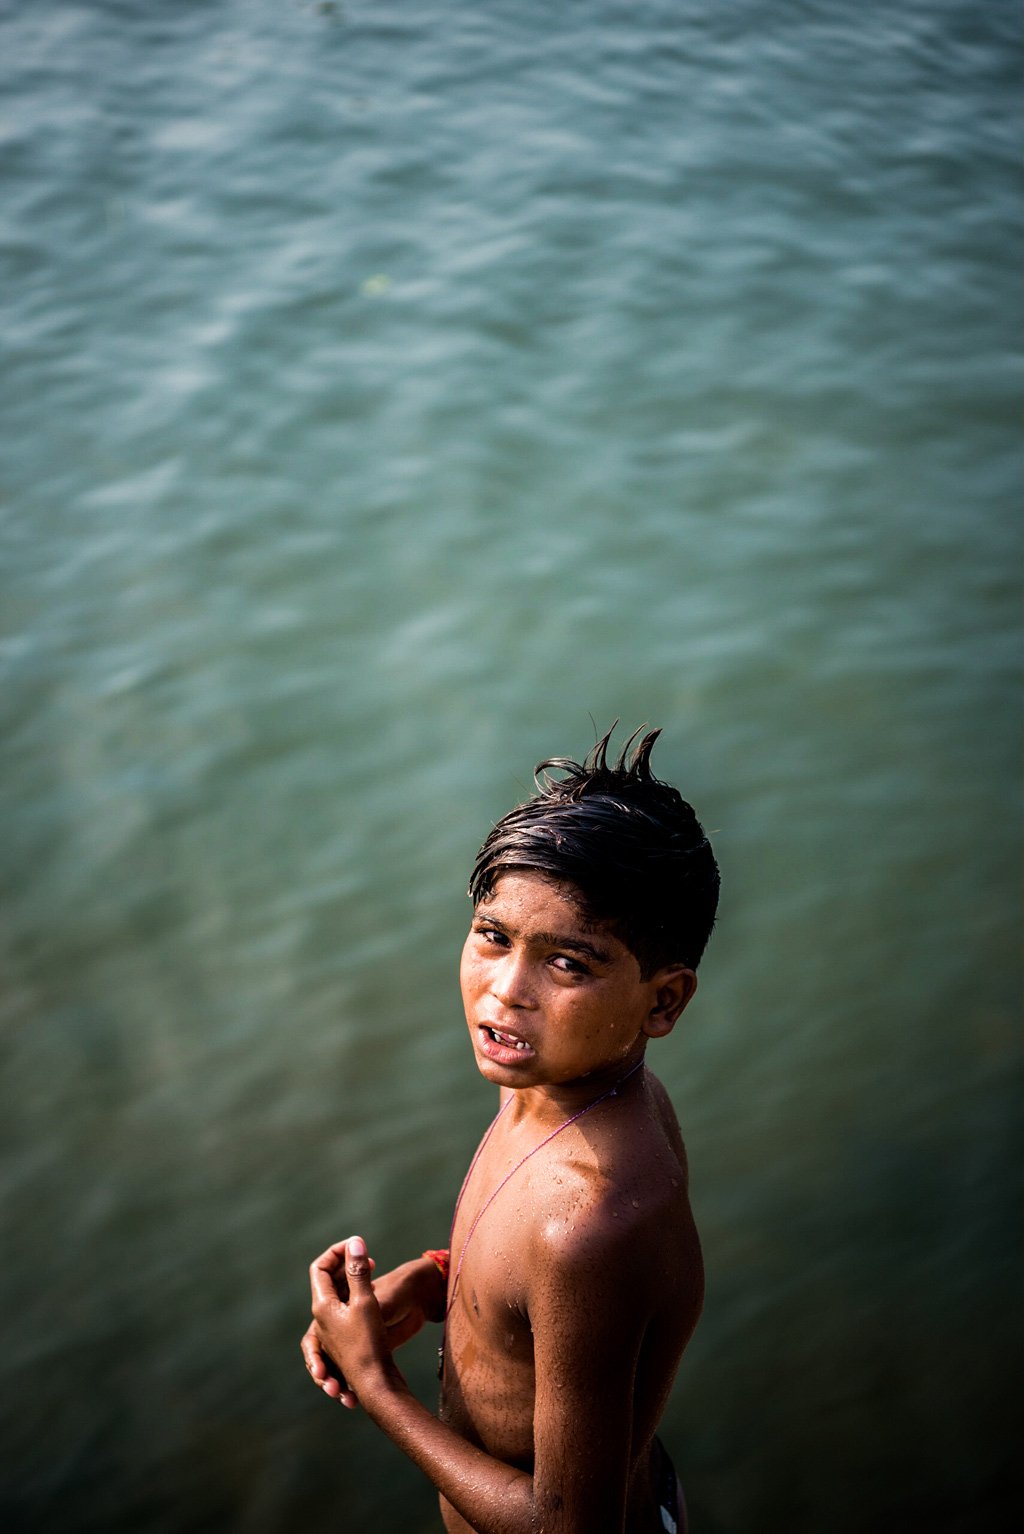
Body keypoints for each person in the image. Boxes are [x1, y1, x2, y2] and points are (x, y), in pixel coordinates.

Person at [301, 726, 719, 1534]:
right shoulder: (557, 1083)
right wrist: (436, 1282)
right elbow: (558, 1305)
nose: (506, 992)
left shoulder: (589, 1222)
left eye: (569, 963)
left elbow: (568, 1526)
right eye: (493, 937)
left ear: (662, 1002)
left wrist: (376, 1382)